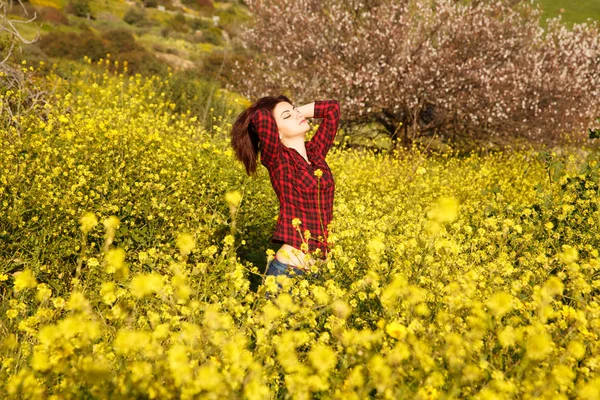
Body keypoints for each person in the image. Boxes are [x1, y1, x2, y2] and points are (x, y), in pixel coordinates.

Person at [230, 96, 340, 280]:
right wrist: (284, 114)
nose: (297, 115)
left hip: (318, 273)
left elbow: (332, 109)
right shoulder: (277, 159)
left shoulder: (316, 154)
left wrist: (294, 111)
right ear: (276, 132)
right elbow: (261, 118)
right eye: (287, 116)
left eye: (295, 111)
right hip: (288, 270)